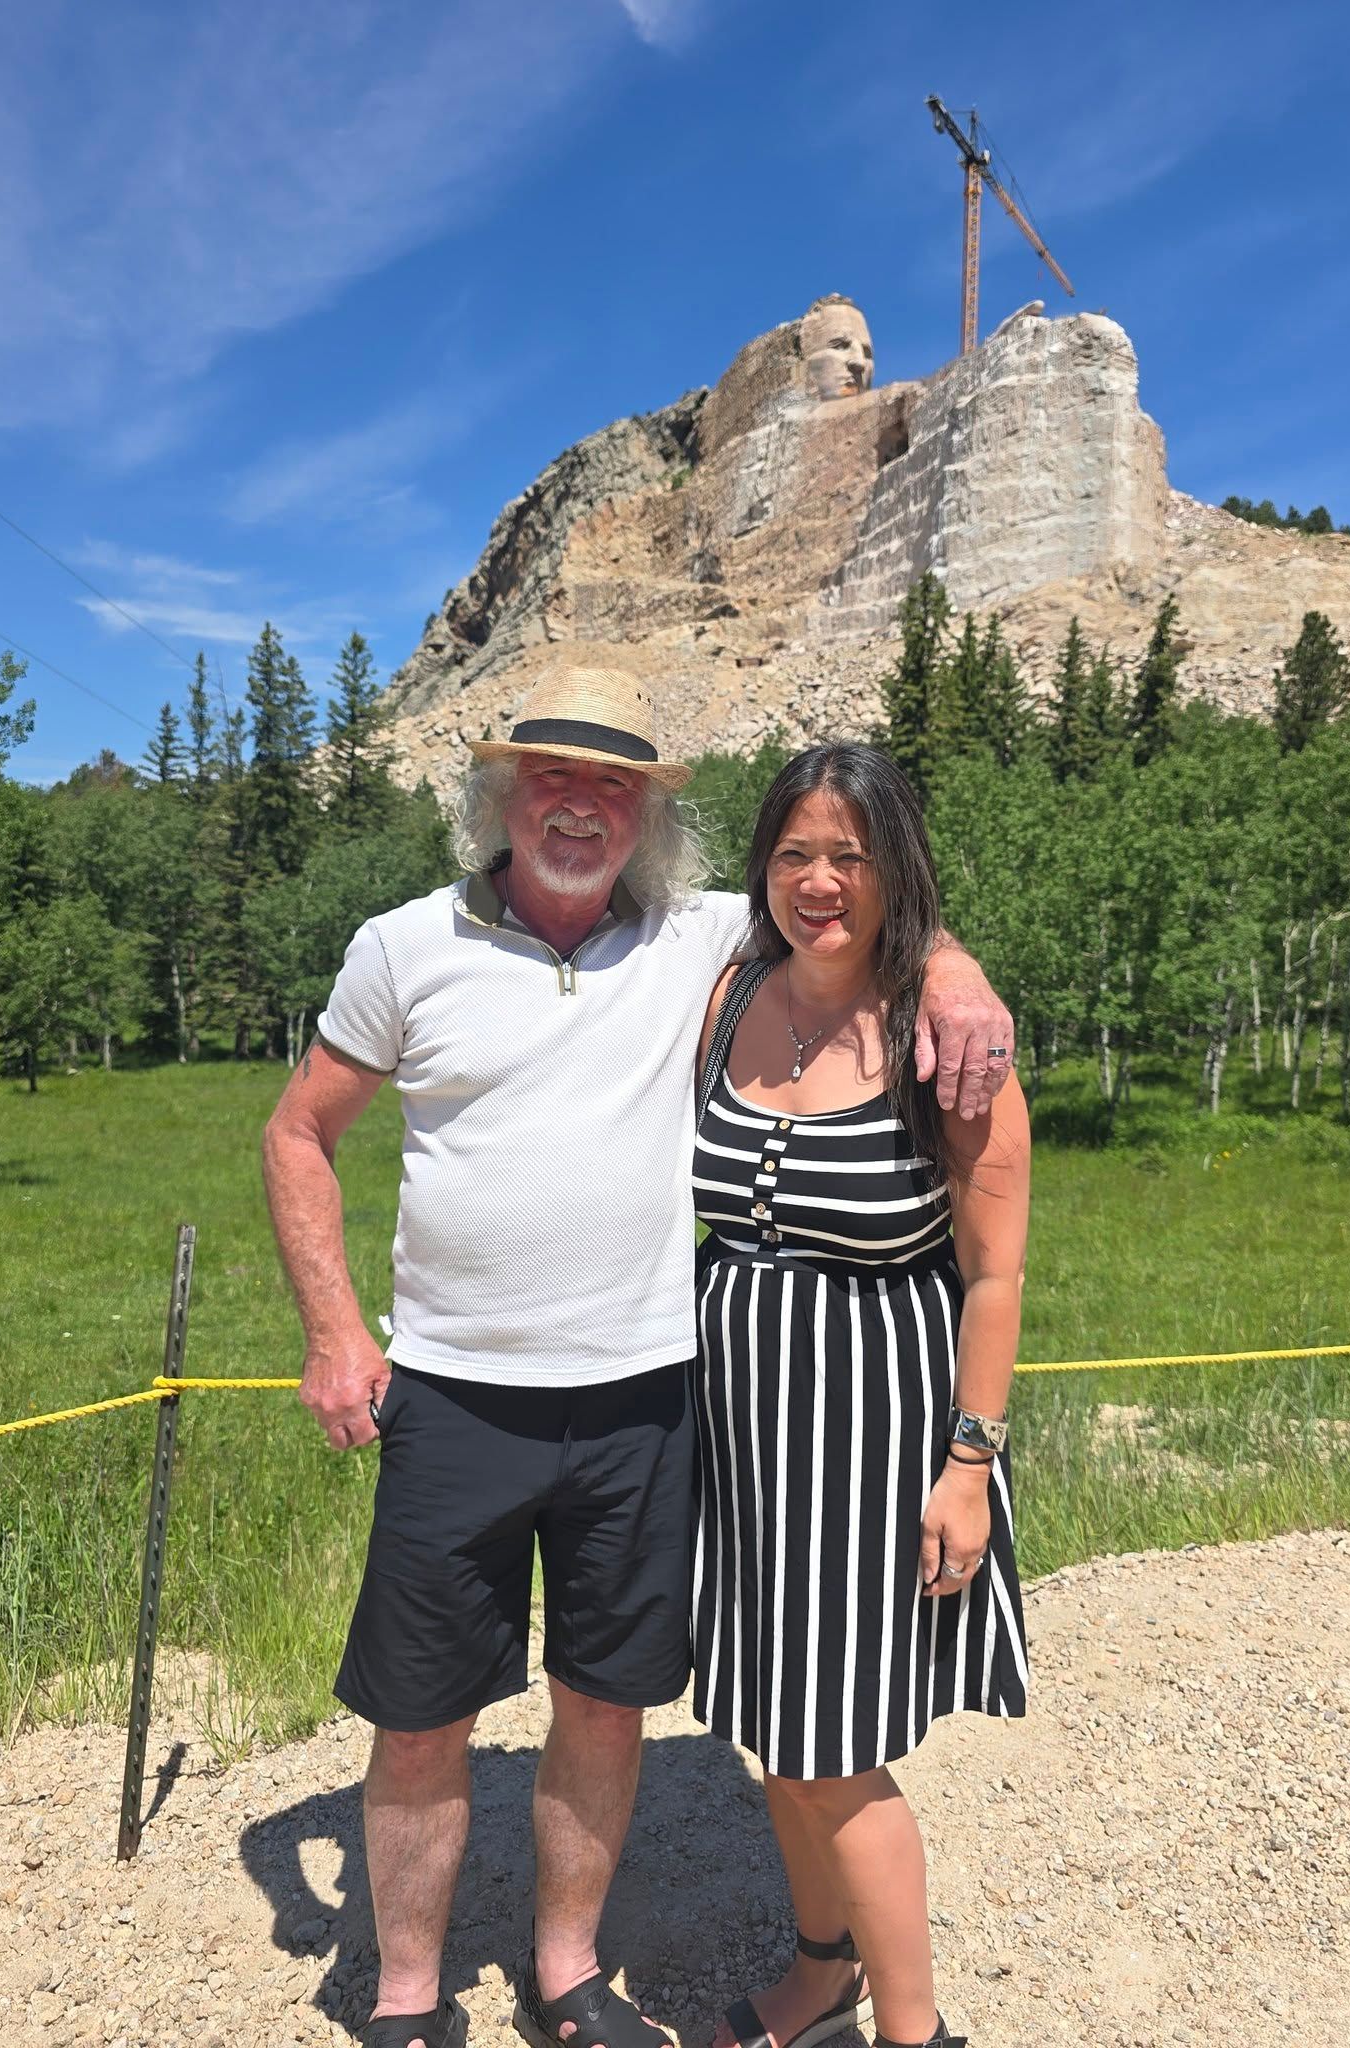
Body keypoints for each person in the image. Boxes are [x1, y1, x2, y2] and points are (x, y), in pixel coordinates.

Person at [260, 668, 1015, 2048]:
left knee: (608, 1707)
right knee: (421, 1715)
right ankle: (409, 1997)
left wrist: (956, 969)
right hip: (457, 1392)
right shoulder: (402, 945)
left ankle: (568, 1976)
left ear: (648, 815)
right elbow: (298, 1131)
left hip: (652, 1402)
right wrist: (332, 1329)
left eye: (612, 785)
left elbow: (858, 893)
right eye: (552, 777)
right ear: (500, 794)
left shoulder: (700, 934)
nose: (580, 807)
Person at [690, 743, 1030, 2048]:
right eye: (795, 853)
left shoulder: (950, 1041)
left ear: (897, 870)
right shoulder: (729, 992)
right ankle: (822, 1972)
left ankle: (916, 2033)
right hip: (742, 1435)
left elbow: (994, 1274)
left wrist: (968, 1467)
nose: (819, 881)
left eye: (850, 854)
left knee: (833, 1750)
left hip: (876, 1439)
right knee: (775, 1729)